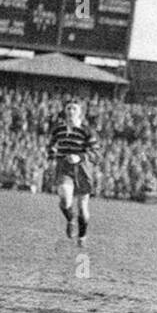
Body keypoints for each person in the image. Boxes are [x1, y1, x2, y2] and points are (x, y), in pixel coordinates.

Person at [46, 100, 97, 246]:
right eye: (68, 108)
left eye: (74, 108)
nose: (71, 111)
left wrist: (79, 157)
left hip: (82, 170)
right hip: (65, 168)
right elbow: (51, 145)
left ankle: (82, 237)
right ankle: (70, 219)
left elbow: (96, 154)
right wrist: (52, 154)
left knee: (82, 207)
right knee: (64, 198)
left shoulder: (87, 131)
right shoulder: (58, 129)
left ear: (80, 112)